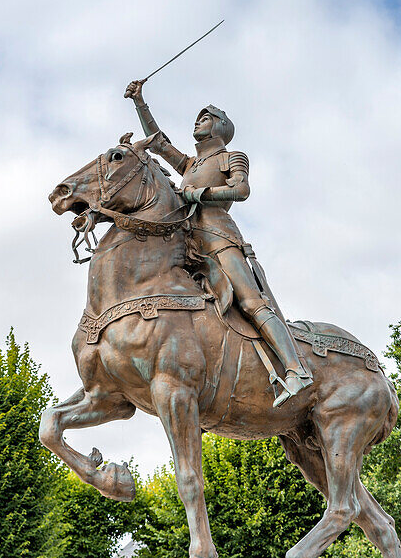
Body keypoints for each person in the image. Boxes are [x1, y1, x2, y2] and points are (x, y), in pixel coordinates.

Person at [124, 78, 313, 406]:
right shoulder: (191, 164)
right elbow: (158, 143)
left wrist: (199, 193)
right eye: (198, 118)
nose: (198, 121)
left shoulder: (231, 158)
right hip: (189, 244)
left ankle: (297, 369)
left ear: (221, 127)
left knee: (251, 302)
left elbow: (241, 191)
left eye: (206, 117)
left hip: (220, 238)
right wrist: (141, 102)